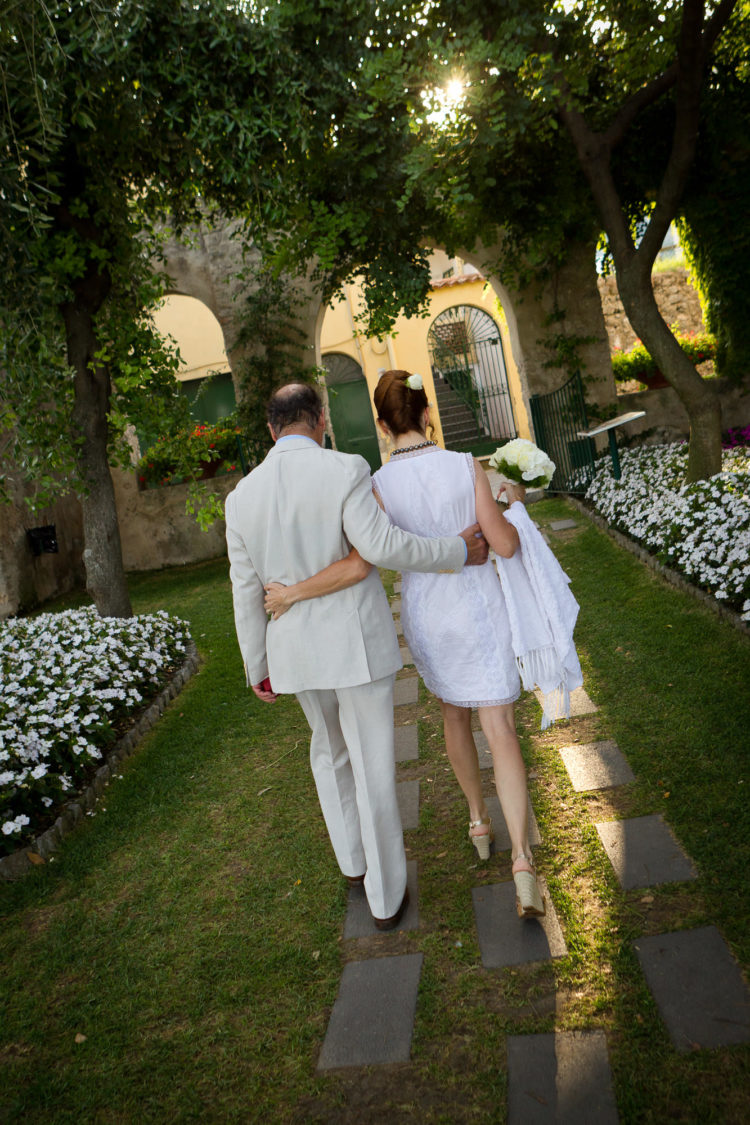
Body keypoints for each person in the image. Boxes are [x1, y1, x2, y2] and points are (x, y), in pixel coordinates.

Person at [264, 371, 546, 918]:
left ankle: (477, 820)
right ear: (426, 412)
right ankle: (523, 861)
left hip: (429, 614)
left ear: (381, 423)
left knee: (452, 715)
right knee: (501, 728)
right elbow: (506, 547)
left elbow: (370, 554)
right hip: (480, 609)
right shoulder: (467, 467)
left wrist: (295, 592)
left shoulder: (375, 486)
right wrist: (513, 501)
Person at [225, 382, 489, 931]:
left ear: (272, 431)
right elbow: (385, 548)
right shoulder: (346, 469)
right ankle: (385, 898)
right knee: (371, 765)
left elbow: (244, 590)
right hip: (355, 645)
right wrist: (458, 550)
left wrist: (258, 665)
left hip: (293, 651)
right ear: (319, 419)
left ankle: (353, 864)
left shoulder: (240, 498)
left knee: (328, 752)